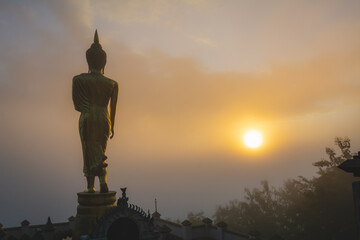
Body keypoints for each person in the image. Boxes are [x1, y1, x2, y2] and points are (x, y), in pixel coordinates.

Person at [72, 30, 118, 193]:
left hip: (88, 115)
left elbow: (77, 104)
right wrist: (112, 126)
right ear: (103, 63)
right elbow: (113, 108)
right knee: (100, 149)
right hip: (105, 118)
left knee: (88, 150)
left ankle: (90, 187)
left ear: (88, 61)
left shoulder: (78, 80)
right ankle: (103, 180)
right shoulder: (112, 83)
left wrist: (87, 110)